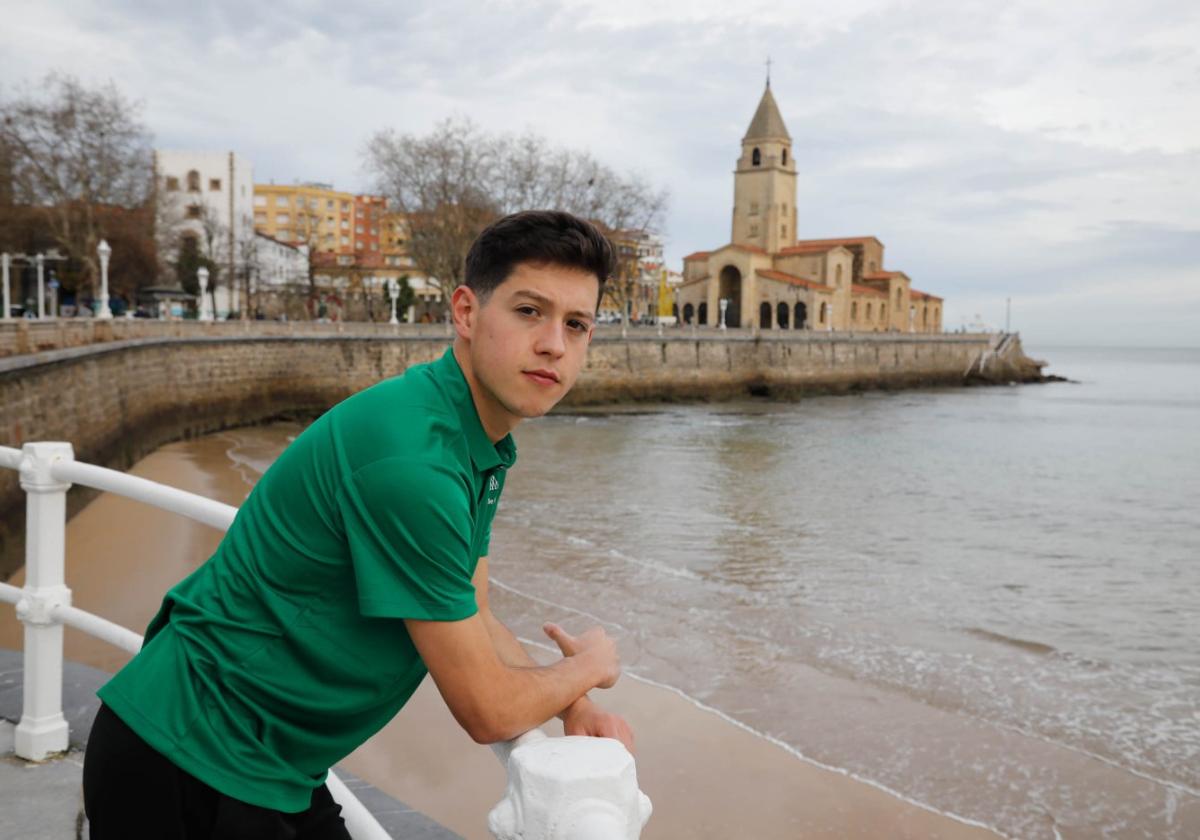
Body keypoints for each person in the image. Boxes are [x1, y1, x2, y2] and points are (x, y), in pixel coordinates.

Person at [83, 210, 633, 839]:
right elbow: (486, 709)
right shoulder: (414, 462)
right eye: (529, 311)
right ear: (465, 312)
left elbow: (473, 606)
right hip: (186, 756)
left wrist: (571, 702)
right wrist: (589, 666)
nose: (554, 345)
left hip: (270, 762)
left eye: (577, 324)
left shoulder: (470, 438)